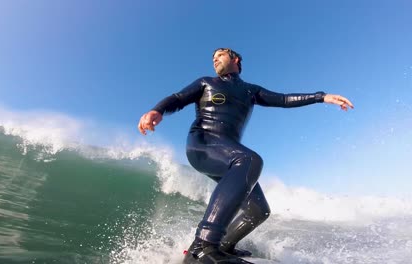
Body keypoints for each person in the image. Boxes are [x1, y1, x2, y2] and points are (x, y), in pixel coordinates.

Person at [138, 48, 354, 264]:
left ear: (235, 59)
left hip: (228, 151)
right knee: (249, 160)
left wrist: (321, 97)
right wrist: (157, 111)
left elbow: (284, 99)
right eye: (213, 57)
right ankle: (203, 247)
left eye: (220, 55)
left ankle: (225, 247)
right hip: (202, 144)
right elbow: (178, 98)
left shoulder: (251, 91)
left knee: (258, 210)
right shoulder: (206, 82)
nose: (214, 59)